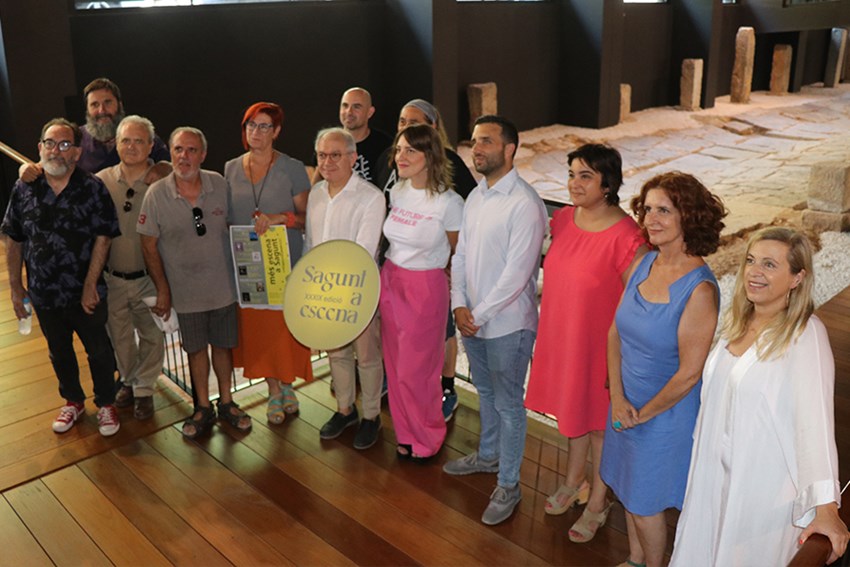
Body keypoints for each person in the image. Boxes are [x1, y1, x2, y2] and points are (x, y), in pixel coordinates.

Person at [671, 227, 849, 567]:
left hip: (762, 487)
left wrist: (827, 507)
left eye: (769, 264)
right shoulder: (737, 321)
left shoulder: (805, 334)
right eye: (751, 261)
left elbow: (816, 424)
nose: (754, 271)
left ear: (797, 277)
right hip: (712, 477)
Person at [599, 171, 726, 567]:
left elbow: (689, 374)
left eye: (664, 211)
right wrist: (618, 397)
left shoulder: (700, 290)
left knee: (645, 503)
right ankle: (636, 559)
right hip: (626, 404)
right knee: (627, 489)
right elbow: (615, 332)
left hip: (665, 413)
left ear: (689, 217)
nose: (651, 219)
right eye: (648, 209)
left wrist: (640, 414)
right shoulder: (645, 262)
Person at [524, 144, 646, 542]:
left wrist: (621, 361)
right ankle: (573, 480)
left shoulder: (627, 237)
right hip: (563, 338)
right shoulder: (563, 220)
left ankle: (598, 501)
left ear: (608, 184)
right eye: (572, 174)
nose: (574, 184)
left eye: (586, 177)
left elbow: (636, 306)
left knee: (598, 428)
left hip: (600, 348)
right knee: (572, 416)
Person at [443, 115, 547, 526]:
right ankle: (488, 456)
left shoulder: (525, 203)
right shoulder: (476, 197)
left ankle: (509, 484)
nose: (477, 148)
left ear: (510, 149)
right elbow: (461, 256)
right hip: (474, 319)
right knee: (485, 392)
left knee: (508, 405)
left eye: (486, 141)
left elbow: (517, 276)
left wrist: (476, 315)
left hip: (508, 325)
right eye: (474, 141)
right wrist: (458, 305)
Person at [2, 118, 121, 436]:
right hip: (43, 292)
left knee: (99, 350)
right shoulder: (24, 188)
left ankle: (106, 403)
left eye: (65, 144)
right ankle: (73, 401)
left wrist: (90, 284)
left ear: (77, 152)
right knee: (59, 351)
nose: (56, 150)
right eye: (50, 143)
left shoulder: (92, 188)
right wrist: (16, 288)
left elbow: (104, 237)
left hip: (86, 291)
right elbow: (14, 238)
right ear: (40, 148)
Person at [138, 127, 251, 439]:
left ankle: (227, 402)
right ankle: (202, 406)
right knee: (196, 350)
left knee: (224, 347)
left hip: (223, 289)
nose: (183, 156)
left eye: (191, 150)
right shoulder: (156, 194)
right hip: (185, 293)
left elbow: (236, 227)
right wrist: (163, 289)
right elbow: (148, 245)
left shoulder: (220, 184)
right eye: (178, 149)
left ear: (203, 154)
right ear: (170, 153)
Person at [373, 98, 478, 422]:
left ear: (432, 129)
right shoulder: (394, 175)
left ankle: (444, 389)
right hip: (393, 271)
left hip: (428, 280)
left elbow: (459, 243)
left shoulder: (450, 181)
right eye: (402, 122)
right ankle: (407, 419)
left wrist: (447, 275)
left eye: (414, 123)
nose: (406, 128)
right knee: (401, 357)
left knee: (434, 345)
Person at [224, 102, 314, 425]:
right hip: (247, 265)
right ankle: (273, 389)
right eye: (251, 125)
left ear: (276, 132)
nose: (256, 132)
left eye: (264, 126)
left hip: (283, 263)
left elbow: (307, 217)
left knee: (283, 328)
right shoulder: (230, 168)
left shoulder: (292, 167)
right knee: (258, 329)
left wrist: (280, 218)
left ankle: (288, 384)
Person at [380, 123, 464, 462]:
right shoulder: (397, 191)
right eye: (399, 149)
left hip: (425, 289)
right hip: (390, 280)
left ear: (429, 156)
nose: (401, 156)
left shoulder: (449, 202)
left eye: (411, 150)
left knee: (418, 371)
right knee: (395, 367)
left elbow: (459, 253)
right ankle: (406, 434)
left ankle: (427, 437)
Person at [306, 128, 386, 449]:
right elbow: (311, 244)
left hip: (358, 289)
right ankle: (345, 410)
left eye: (336, 155)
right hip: (324, 291)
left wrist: (336, 285)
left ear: (353, 157)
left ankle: (371, 416)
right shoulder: (315, 194)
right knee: (337, 353)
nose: (327, 162)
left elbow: (364, 251)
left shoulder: (371, 197)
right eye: (322, 155)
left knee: (367, 356)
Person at [97, 115, 168, 421]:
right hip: (112, 278)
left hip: (149, 279)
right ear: (116, 144)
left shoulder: (163, 181)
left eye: (139, 141)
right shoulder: (101, 180)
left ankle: (145, 390)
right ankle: (128, 380)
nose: (132, 146)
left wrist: (166, 167)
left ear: (151, 145)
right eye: (126, 140)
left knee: (152, 334)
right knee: (119, 335)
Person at [18, 78, 170, 181]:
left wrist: (162, 168)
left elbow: (171, 165)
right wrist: (26, 169)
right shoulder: (75, 137)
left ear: (120, 105)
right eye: (95, 105)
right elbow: (48, 163)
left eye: (108, 102)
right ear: (87, 110)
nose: (101, 110)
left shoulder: (141, 133)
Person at [338, 87, 392, 183]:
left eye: (356, 107)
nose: (349, 112)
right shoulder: (329, 142)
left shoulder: (385, 145)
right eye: (345, 105)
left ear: (370, 112)